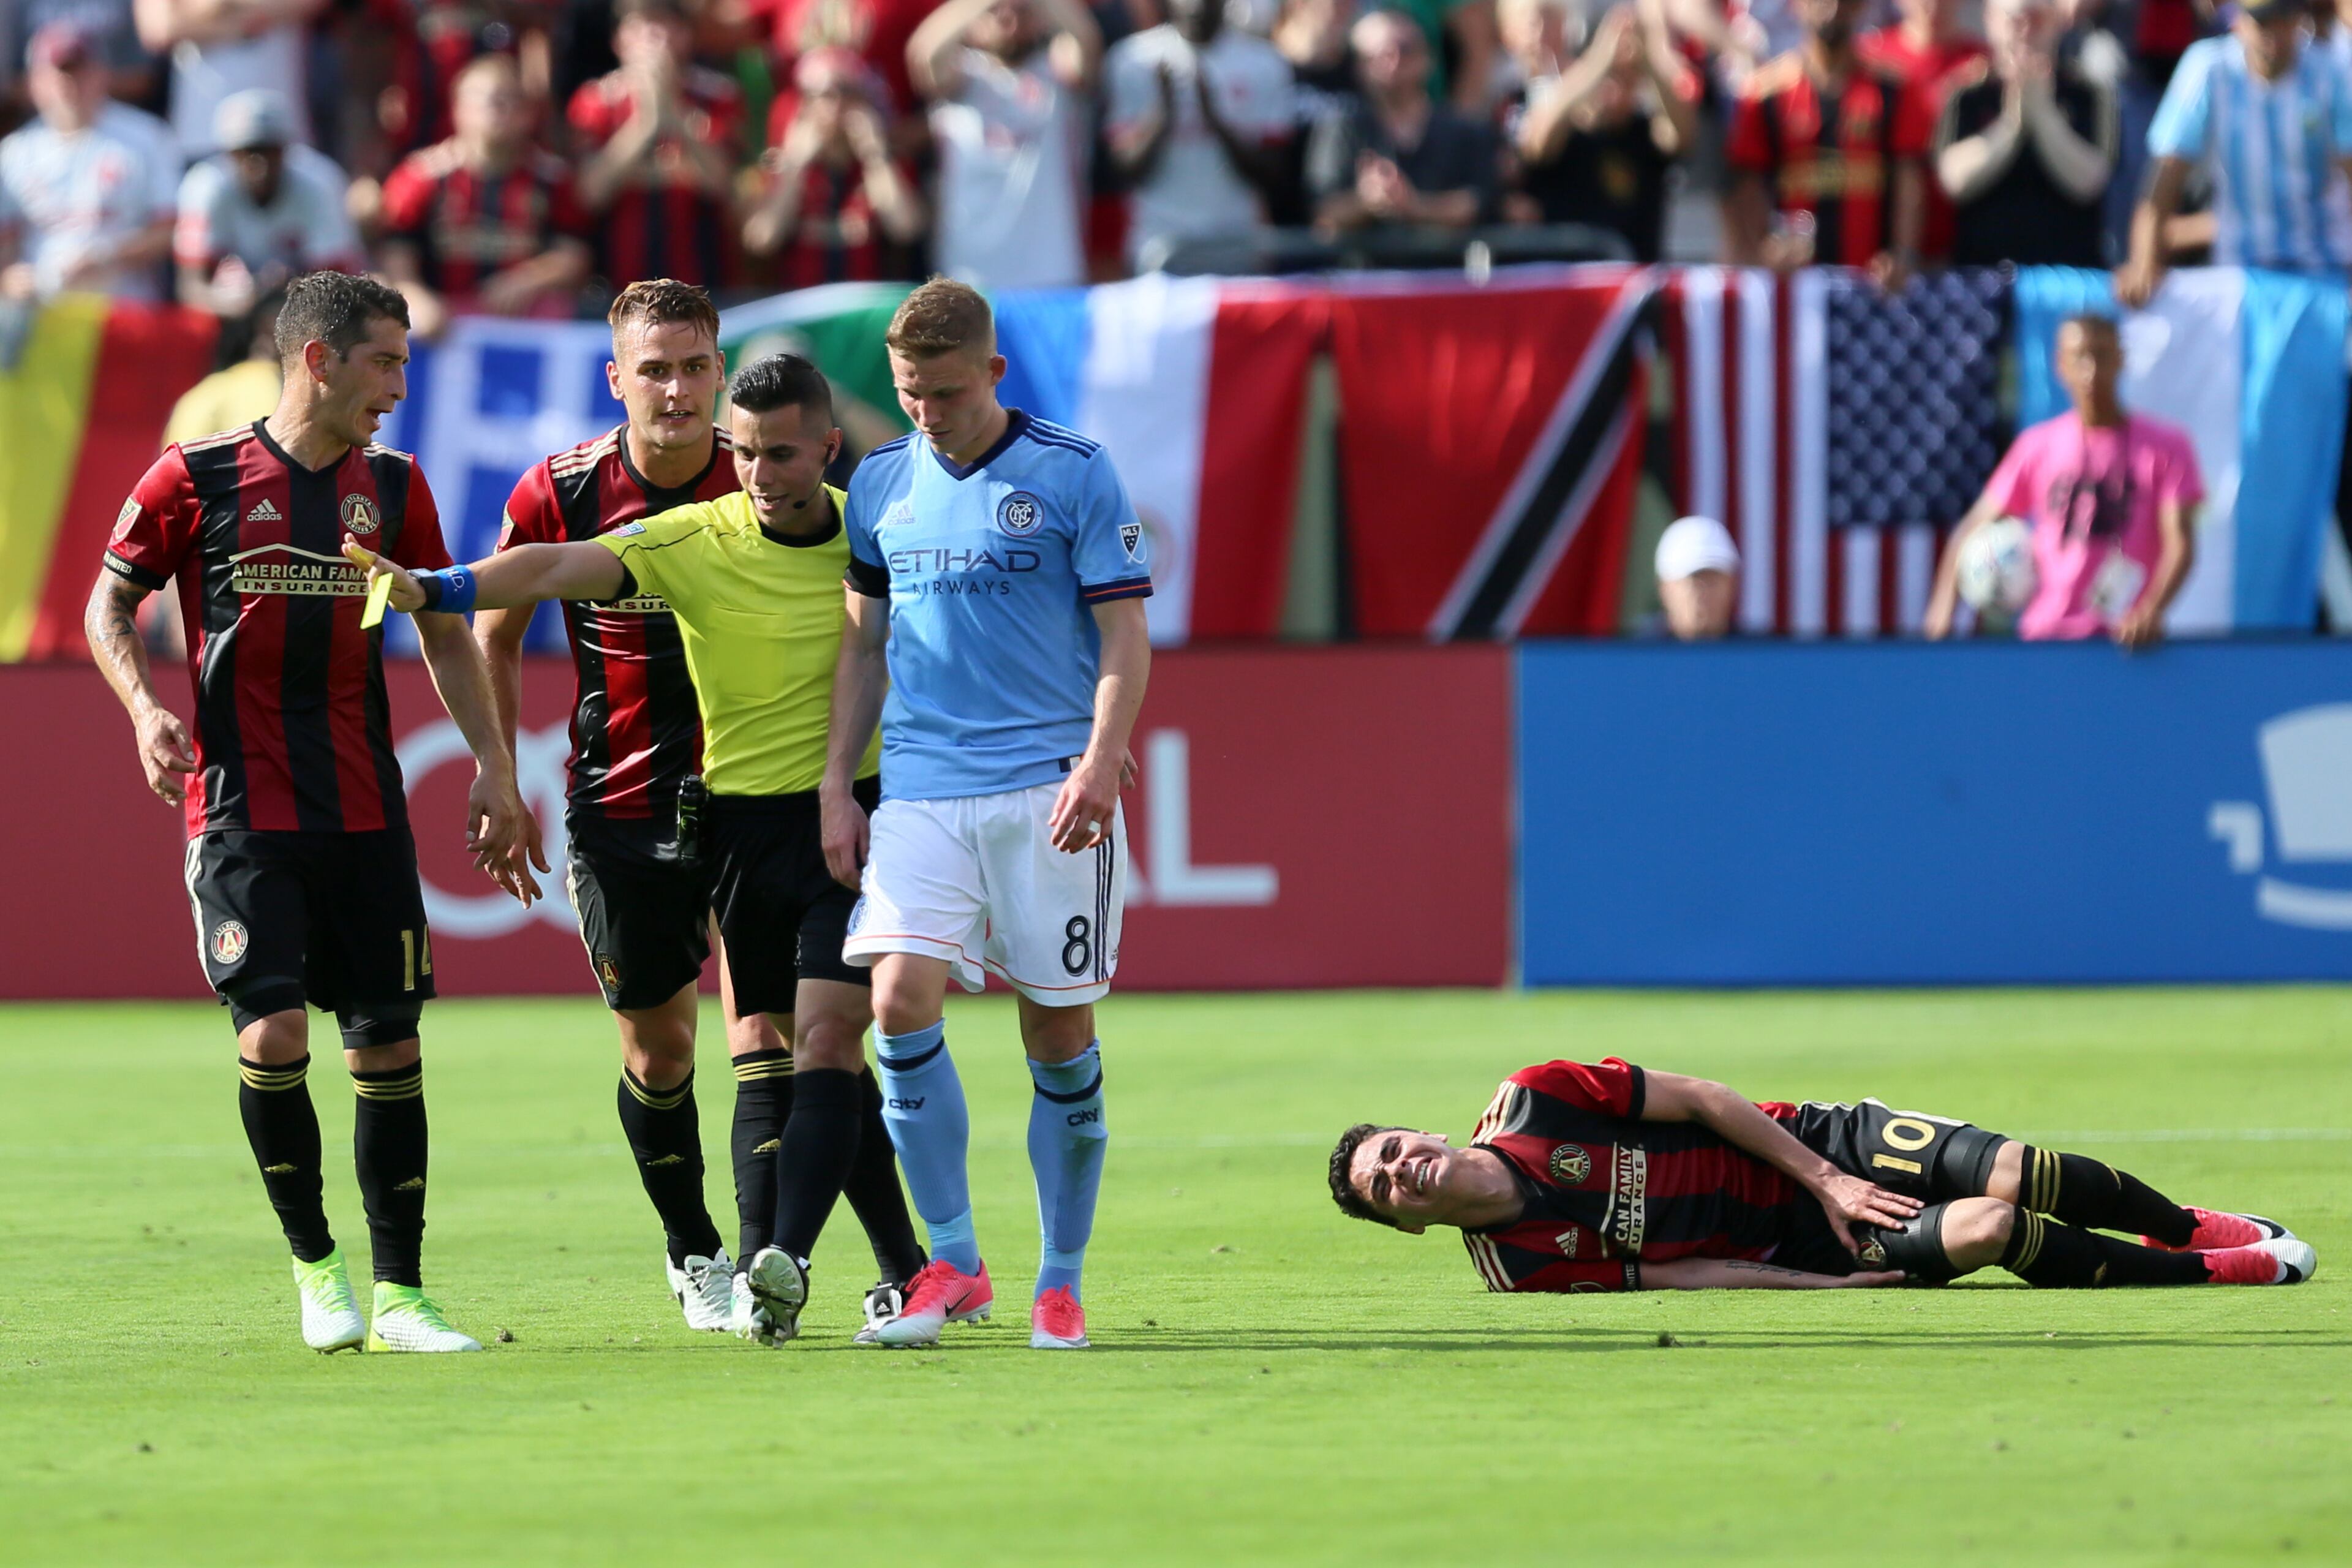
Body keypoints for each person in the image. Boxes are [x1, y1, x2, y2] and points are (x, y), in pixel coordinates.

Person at [356, 345, 929, 1348]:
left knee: (799, 1043)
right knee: (667, 1051)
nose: (755, 468)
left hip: (824, 815)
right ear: (619, 377)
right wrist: (439, 591)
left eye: (695, 368)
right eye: (654, 368)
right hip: (645, 809)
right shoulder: (662, 523)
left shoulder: (868, 527)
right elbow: (534, 576)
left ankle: (843, 1269)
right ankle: (700, 1248)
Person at [82, 270, 524, 1354]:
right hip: (238, 806)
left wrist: (494, 767)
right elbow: (111, 601)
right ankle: (316, 1269)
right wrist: (142, 708)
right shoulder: (196, 476)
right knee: (276, 1031)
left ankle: (404, 1296)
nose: (400, 387)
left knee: (387, 1049)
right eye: (385, 362)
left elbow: (443, 629)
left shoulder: (394, 484)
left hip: (365, 807)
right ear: (317, 360)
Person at [821, 278, 1152, 1352]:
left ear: (995, 375)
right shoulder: (878, 485)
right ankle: (955, 1264)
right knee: (897, 1001)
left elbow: (1125, 637)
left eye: (949, 393)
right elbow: (864, 646)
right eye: (912, 393)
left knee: (1055, 1034)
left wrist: (1100, 762)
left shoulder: (1072, 470)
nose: (928, 412)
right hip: (922, 783)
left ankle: (1062, 1281)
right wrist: (838, 779)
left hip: (1046, 782)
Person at [1330, 1056, 2318, 1291]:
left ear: (1418, 1132)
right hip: (1804, 1239)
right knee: (1984, 1229)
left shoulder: (1539, 1097)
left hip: (1825, 1147)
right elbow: (1681, 1276)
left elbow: (1711, 1102)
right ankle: (2208, 1277)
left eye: (1393, 1150)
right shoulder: (1518, 1269)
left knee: (2022, 1171)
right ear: (1408, 1226)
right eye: (1386, 1188)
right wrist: (1820, 1276)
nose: (1403, 1171)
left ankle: (2183, 1226)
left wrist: (1831, 1178)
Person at [1926, 312, 2199, 646]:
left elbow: (2180, 543)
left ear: (2121, 360)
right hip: (2045, 639)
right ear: (2060, 364)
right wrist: (1941, 617)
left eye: (2102, 354)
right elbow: (1971, 530)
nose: (2091, 370)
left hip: (2125, 644)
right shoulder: (2036, 446)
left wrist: (2150, 611)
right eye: (2080, 356)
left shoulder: (2167, 447)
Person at [2114, 0, 2352, 306]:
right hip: (2239, 277)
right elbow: (2164, 178)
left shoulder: (2331, 72)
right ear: (2238, 22)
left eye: (2285, 19)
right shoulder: (2207, 69)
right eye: (2263, 22)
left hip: (2325, 273)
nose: (2275, 34)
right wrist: (2143, 264)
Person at [379, 53, 592, 339]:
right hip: (443, 323)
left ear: (529, 114)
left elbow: (574, 255)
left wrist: (527, 280)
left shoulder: (552, 179)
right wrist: (415, 297)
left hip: (525, 320)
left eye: (512, 101)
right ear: (458, 109)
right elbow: (396, 254)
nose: (500, 111)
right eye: (489, 100)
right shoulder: (421, 177)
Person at [1724, 0, 1928, 284]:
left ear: (1860, 8)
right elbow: (1747, 183)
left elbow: (1909, 179)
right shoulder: (1764, 95)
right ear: (1797, 6)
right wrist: (1763, 248)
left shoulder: (1894, 90)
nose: (1832, 9)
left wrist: (1903, 254)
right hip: (1792, 285)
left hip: (1869, 283)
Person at [909, 0, 1099, 292]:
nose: (1009, 22)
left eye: (1022, 11)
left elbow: (1087, 39)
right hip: (966, 277)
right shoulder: (960, 77)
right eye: (996, 13)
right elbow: (924, 52)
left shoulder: (1058, 73)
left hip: (1053, 275)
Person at [1106, 0, 1297, 271]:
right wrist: (1162, 117)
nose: (1196, 5)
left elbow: (1274, 173)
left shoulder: (1265, 63)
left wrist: (1216, 121)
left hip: (1236, 247)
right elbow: (1125, 169)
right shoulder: (1133, 59)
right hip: (1157, 248)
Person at [0, 21, 180, 304]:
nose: (70, 84)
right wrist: (10, 279)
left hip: (125, 310)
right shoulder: (14, 153)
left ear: (102, 74)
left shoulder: (147, 137)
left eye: (80, 71)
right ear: (34, 82)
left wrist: (106, 257)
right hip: (39, 314)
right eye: (59, 72)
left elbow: (171, 230)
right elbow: (6, 248)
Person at [1501, 0, 1695, 260]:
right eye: (1610, 78)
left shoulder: (1643, 133)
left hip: (1634, 286)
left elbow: (1682, 135)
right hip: (1568, 281)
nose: (1616, 92)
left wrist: (1649, 58)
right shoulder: (1568, 131)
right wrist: (1599, 59)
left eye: (1628, 81)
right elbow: (1539, 142)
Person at [569, 0, 742, 289]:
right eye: (642, 27)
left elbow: (721, 185)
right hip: (617, 282)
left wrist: (672, 109)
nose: (655, 39)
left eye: (666, 26)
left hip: (703, 277)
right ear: (619, 41)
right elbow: (590, 194)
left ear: (687, 37)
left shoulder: (719, 97)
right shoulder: (595, 102)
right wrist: (647, 124)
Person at [1932, 0, 2115, 268]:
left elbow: (2090, 181)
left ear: (2057, 21)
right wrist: (2011, 126)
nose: (2026, 30)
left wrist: (2042, 114)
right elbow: (1954, 181)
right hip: (1983, 277)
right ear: (1991, 20)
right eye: (2015, 20)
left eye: (2036, 18)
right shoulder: (1966, 94)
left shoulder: (2090, 93)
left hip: (2069, 277)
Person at [741, 47, 925, 290]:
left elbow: (907, 228)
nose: (837, 105)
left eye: (849, 92)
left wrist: (874, 154)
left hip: (866, 310)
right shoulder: (782, 164)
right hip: (802, 309)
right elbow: (762, 239)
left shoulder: (883, 163)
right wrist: (797, 164)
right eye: (825, 95)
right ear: (804, 103)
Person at [1308, 8, 1499, 235]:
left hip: (1445, 267)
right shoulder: (1341, 126)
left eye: (1405, 49)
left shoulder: (1462, 129)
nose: (1394, 62)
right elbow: (1323, 211)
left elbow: (1478, 202)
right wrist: (1366, 201)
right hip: (1364, 267)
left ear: (1428, 59)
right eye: (1379, 54)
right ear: (1360, 66)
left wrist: (1416, 207)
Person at [175, 90, 362, 320]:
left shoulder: (320, 184)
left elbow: (340, 284)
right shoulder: (205, 187)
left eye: (269, 151)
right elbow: (191, 287)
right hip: (231, 316)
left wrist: (289, 288)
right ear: (230, 155)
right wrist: (239, 302)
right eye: (248, 152)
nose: (259, 163)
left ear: (286, 150)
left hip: (305, 312)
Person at [1856, 0, 1986, 260]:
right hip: (1884, 240)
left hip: (1961, 234)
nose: (1933, 5)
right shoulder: (1871, 56)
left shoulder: (1981, 63)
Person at [133, 0, 320, 159]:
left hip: (283, 132)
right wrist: (245, 25)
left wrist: (213, 10)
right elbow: (161, 28)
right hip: (202, 134)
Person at [1654, 513, 1737, 639]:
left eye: (1713, 580)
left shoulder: (1757, 653)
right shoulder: (1635, 654)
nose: (1704, 593)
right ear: (1666, 589)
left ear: (1732, 586)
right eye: (1695, 579)